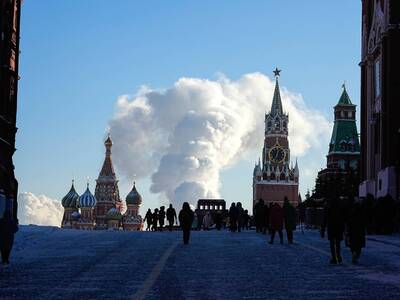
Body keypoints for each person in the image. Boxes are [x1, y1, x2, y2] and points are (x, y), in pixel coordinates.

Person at [321, 196, 346, 264]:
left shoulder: (328, 208)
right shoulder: (340, 208)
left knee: (332, 243)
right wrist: (344, 228)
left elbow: (324, 219)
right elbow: (344, 218)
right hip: (338, 227)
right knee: (338, 243)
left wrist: (322, 230)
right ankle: (338, 256)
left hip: (331, 227)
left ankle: (334, 258)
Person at [346, 199, 366, 264]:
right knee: (359, 245)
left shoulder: (351, 213)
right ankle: (356, 255)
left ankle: (353, 253)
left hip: (352, 231)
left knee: (352, 244)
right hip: (360, 231)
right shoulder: (362, 213)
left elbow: (349, 222)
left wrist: (348, 230)